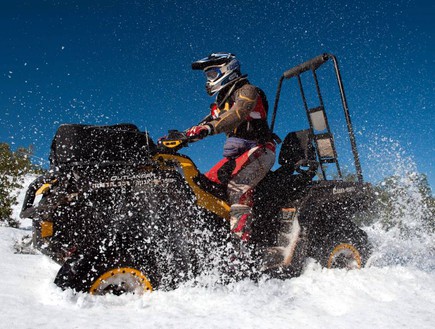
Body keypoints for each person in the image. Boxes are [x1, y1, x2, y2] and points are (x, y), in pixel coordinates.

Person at [185, 52, 276, 242]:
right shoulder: (222, 101)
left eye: (211, 74)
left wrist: (207, 128)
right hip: (236, 158)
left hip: (260, 150)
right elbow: (203, 125)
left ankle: (241, 249)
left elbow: (238, 113)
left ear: (228, 70)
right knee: (204, 184)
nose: (209, 79)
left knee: (237, 188)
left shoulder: (248, 90)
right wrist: (180, 137)